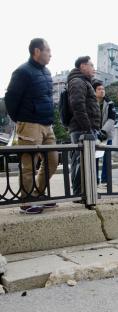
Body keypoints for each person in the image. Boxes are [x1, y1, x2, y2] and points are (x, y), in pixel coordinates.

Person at [4, 38, 57, 214]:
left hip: (47, 124)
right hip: (29, 124)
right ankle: (26, 201)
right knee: (28, 164)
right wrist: (21, 119)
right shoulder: (22, 72)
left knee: (53, 160)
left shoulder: (47, 72)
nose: (50, 54)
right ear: (37, 51)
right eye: (48, 50)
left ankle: (38, 193)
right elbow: (10, 98)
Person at [67, 56, 104, 198]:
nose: (93, 68)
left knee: (85, 161)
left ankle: (86, 192)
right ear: (82, 66)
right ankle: (79, 194)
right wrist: (88, 128)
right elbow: (78, 105)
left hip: (85, 129)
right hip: (82, 129)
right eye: (91, 65)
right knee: (80, 162)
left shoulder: (83, 81)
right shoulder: (77, 81)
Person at [92, 80, 117, 187]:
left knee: (107, 157)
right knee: (95, 157)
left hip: (106, 134)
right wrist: (96, 132)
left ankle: (105, 180)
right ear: (94, 91)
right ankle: (95, 179)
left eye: (103, 89)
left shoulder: (110, 103)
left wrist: (103, 131)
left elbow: (112, 119)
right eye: (99, 89)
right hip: (94, 134)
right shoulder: (91, 102)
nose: (102, 91)